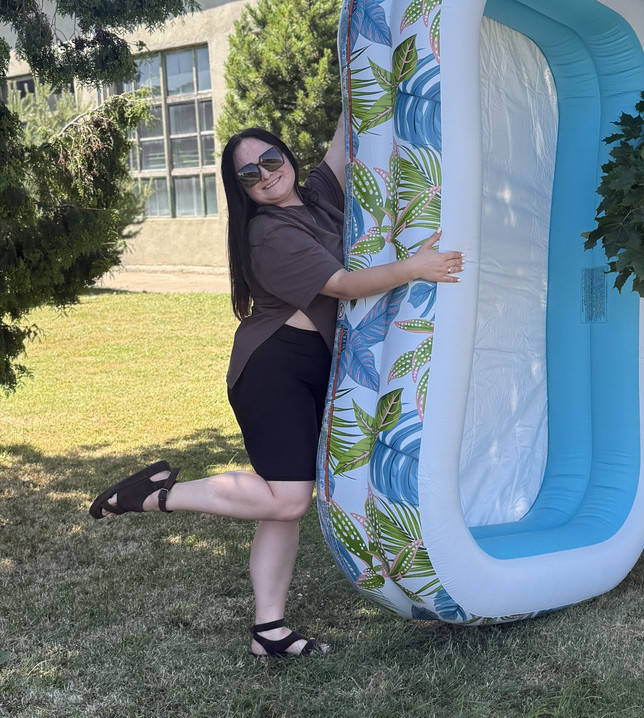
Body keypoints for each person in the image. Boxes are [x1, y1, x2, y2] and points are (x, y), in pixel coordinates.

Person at [89, 115, 463, 658]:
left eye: (270, 160)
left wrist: (366, 65)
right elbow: (343, 286)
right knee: (287, 500)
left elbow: (347, 131)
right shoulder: (267, 233)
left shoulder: (315, 197)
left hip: (314, 365)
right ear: (241, 189)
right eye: (249, 175)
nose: (265, 175)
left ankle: (269, 630)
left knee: (282, 501)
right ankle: (151, 496)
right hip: (273, 366)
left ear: (286, 157)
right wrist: (416, 267)